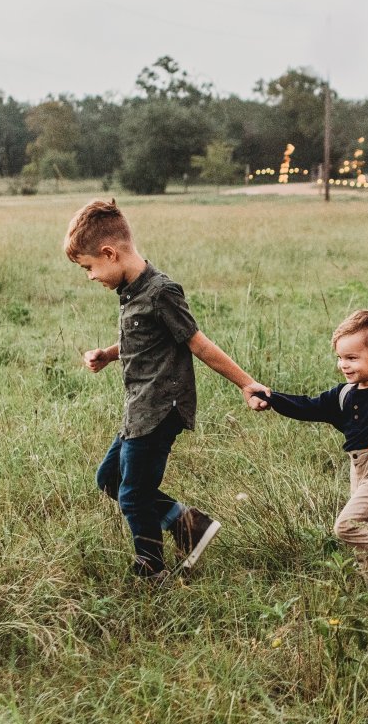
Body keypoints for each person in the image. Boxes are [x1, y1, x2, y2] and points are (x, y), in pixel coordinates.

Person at [65, 198, 267, 582]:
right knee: (109, 478)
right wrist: (109, 354)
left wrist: (247, 383)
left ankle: (151, 569)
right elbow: (143, 341)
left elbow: (197, 343)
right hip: (138, 408)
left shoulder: (161, 292)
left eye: (89, 268)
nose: (90, 276)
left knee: (133, 494)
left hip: (160, 409)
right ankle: (189, 525)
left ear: (109, 253)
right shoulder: (131, 292)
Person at [255, 310, 368, 591]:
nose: (344, 364)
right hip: (360, 472)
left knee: (347, 526)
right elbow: (307, 406)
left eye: (352, 358)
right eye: (341, 358)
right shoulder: (343, 394)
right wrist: (271, 398)